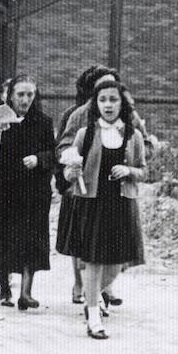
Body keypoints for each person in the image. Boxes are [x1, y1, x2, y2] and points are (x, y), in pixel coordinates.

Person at [60, 78, 147, 340]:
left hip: (121, 203)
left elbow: (143, 171)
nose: (108, 105)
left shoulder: (133, 135)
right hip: (92, 203)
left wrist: (129, 170)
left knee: (118, 262)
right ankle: (93, 316)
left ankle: (94, 292)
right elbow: (69, 171)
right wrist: (70, 171)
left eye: (113, 100)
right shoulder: (85, 134)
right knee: (93, 259)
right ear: (96, 105)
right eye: (103, 100)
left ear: (122, 104)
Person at [0, 75, 54, 307]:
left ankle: (26, 292)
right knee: (2, 238)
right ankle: (5, 288)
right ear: (10, 95)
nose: (25, 100)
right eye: (21, 95)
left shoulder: (43, 122)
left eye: (30, 95)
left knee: (31, 238)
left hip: (32, 190)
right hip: (3, 188)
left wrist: (39, 159)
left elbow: (52, 153)